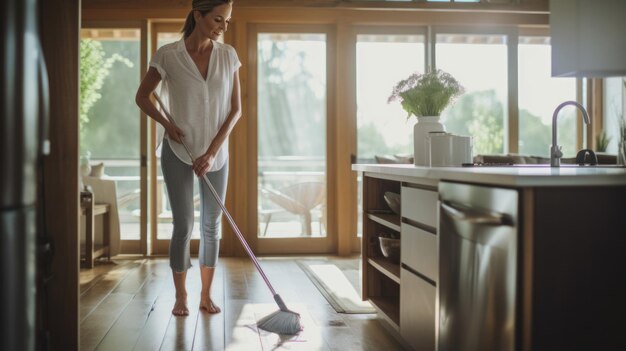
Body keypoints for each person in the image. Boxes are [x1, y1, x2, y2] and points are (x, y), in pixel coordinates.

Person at [135, 0, 241, 316]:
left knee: (211, 224)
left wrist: (210, 153)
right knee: (183, 224)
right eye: (218, 19)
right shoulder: (168, 55)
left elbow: (236, 110)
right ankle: (181, 296)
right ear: (198, 15)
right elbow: (142, 96)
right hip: (178, 151)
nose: (223, 26)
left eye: (228, 21)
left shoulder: (228, 56)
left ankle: (205, 296)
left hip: (215, 154)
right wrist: (167, 124)